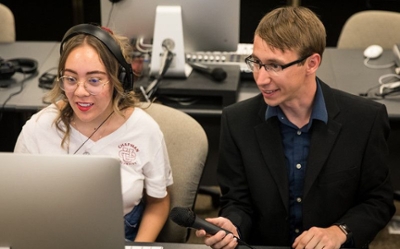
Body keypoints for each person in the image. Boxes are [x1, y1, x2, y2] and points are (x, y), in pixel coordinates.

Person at [195, 6, 395, 249]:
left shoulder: (364, 120)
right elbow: (238, 202)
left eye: (274, 66)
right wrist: (232, 224)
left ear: (311, 63)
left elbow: (378, 202)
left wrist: (340, 231)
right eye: (256, 62)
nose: (261, 78)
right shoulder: (237, 121)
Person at [13, 23, 173, 242]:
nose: (80, 91)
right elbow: (16, 203)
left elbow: (159, 202)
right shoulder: (38, 128)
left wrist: (139, 247)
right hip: (52, 236)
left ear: (120, 80)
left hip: (121, 236)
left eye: (94, 80)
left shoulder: (144, 130)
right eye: (70, 79)